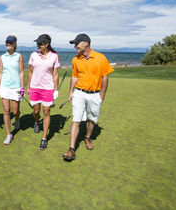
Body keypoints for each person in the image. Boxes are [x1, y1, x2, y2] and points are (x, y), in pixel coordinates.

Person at [63, 33, 114, 161]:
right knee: (76, 120)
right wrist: (70, 92)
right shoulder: (75, 59)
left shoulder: (101, 58)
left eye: (77, 43)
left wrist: (102, 95)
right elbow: (74, 76)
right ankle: (71, 149)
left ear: (86, 43)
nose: (75, 46)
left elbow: (105, 77)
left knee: (91, 119)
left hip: (95, 94)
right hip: (79, 93)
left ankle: (87, 138)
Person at [27, 34, 60, 150]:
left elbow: (55, 74)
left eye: (40, 43)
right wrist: (28, 87)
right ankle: (36, 122)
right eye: (37, 43)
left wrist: (56, 89)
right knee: (36, 111)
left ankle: (44, 138)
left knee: (46, 111)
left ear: (47, 44)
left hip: (47, 88)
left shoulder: (54, 57)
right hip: (35, 87)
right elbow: (30, 72)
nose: (38, 46)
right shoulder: (33, 55)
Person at [0, 35, 25, 145]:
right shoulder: (2, 57)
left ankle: (17, 119)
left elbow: (21, 72)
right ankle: (9, 134)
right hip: (4, 86)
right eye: (7, 42)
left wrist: (22, 87)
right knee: (6, 110)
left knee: (15, 110)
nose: (8, 44)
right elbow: (0, 73)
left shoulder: (19, 56)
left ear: (15, 44)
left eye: (11, 42)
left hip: (16, 86)